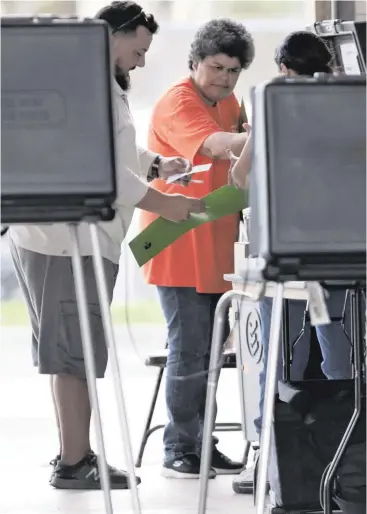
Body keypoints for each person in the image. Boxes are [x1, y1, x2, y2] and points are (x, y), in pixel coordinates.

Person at [9, 1, 205, 490]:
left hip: (67, 242)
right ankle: (74, 462)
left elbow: (113, 147)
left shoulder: (97, 84)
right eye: (136, 51)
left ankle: (76, 455)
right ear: (111, 35)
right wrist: (166, 204)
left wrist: (156, 164)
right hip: (64, 244)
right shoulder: (84, 83)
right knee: (73, 356)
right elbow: (106, 175)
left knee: (72, 355)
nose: (140, 62)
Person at [230, 30, 353, 494]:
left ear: (283, 67)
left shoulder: (272, 105)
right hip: (334, 253)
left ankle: (271, 461)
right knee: (339, 354)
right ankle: (346, 456)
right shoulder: (346, 110)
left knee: (282, 357)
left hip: (283, 257)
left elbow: (239, 176)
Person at [139, 19, 255, 479]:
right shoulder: (178, 101)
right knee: (188, 350)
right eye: (215, 67)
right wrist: (274, 127)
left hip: (214, 243)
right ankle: (179, 449)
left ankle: (199, 443)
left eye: (232, 70)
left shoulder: (229, 101)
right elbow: (219, 145)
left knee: (208, 352)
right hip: (176, 242)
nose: (223, 79)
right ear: (195, 62)